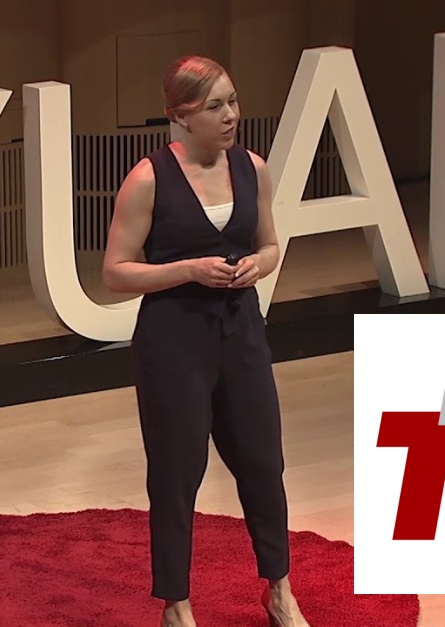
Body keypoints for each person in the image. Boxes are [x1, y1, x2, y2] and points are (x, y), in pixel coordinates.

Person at [101, 55, 310, 627]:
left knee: (263, 463)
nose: (230, 115)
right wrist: (188, 270)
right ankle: (176, 604)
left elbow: (270, 244)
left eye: (233, 102)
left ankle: (279, 590)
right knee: (177, 474)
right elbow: (115, 273)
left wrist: (260, 265)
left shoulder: (253, 168)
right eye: (215, 106)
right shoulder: (148, 180)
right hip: (174, 344)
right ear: (180, 115)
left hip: (242, 335)